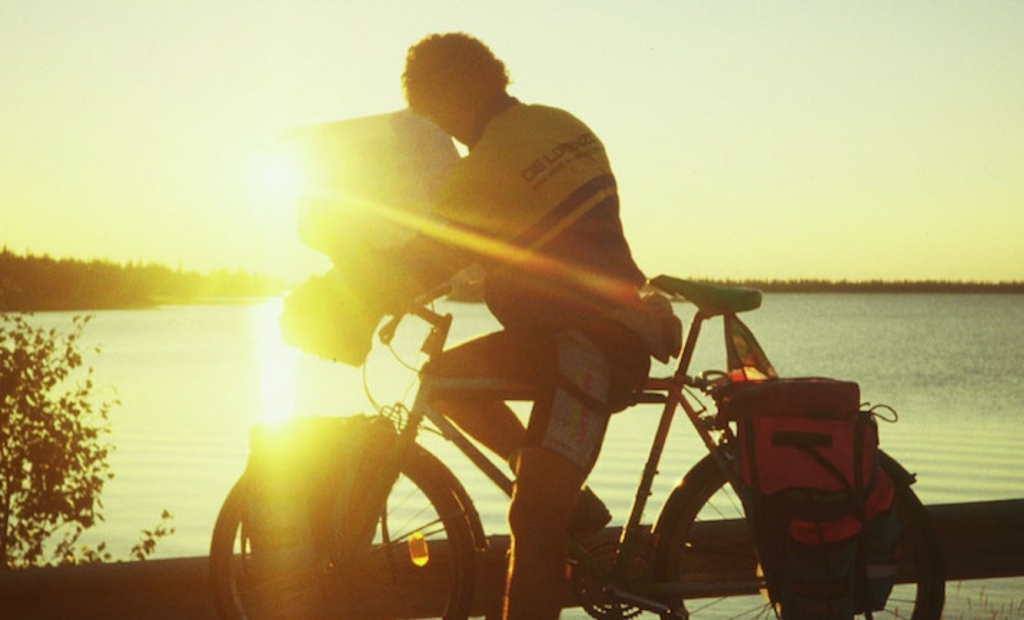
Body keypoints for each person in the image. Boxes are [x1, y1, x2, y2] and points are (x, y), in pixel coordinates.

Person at [399, 33, 655, 620]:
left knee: (532, 524)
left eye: (436, 112)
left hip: (587, 347)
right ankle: (567, 497)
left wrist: (355, 303)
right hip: (585, 332)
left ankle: (554, 503)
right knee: (446, 378)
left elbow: (424, 257)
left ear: (456, 95)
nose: (442, 129)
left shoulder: (483, 165)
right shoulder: (560, 123)